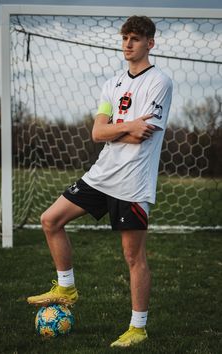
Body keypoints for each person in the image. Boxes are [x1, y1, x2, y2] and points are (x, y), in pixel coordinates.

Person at [27, 15, 173, 348]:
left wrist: (121, 129)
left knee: (133, 257)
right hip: (101, 175)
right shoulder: (112, 83)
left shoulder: (160, 82)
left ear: (150, 43)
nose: (128, 44)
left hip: (132, 184)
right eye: (124, 38)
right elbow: (97, 132)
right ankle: (66, 286)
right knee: (50, 220)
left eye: (135, 38)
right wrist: (128, 126)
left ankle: (138, 327)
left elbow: (143, 136)